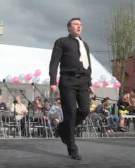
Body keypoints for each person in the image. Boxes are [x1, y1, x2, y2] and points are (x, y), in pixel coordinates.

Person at [49, 17, 94, 160]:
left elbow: (88, 64)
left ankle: (63, 129)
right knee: (71, 113)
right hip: (67, 80)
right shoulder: (61, 41)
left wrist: (90, 83)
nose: (79, 26)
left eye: (80, 24)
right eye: (75, 24)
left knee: (85, 109)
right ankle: (72, 148)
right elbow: (54, 62)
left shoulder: (84, 44)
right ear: (69, 28)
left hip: (83, 81)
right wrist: (52, 81)